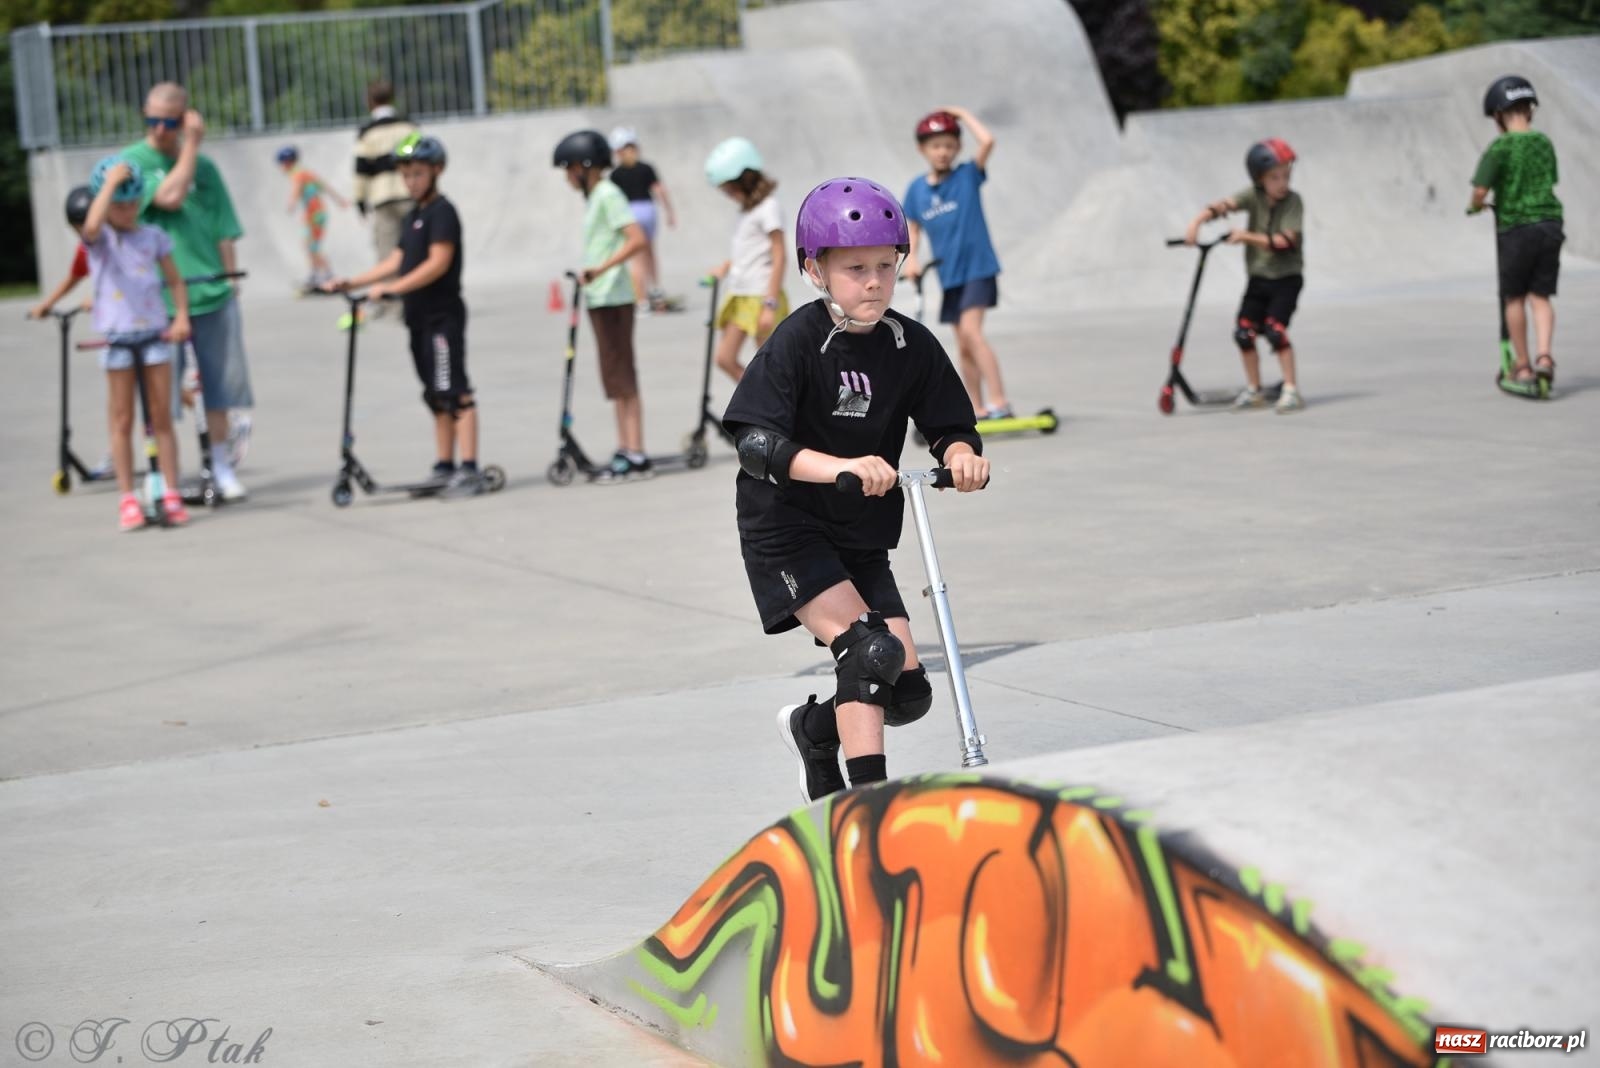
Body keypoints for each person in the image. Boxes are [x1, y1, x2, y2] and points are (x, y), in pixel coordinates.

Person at [722, 177, 989, 802]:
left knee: (907, 689)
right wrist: (841, 467)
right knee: (867, 651)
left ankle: (813, 730)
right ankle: (866, 806)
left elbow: (950, 423)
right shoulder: (798, 341)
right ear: (815, 270)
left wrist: (962, 453)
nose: (873, 282)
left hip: (858, 533)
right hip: (785, 526)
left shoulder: (909, 344)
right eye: (854, 269)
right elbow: (755, 445)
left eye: (884, 267)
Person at [325, 134, 485, 499]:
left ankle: (471, 469)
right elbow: (397, 261)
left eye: (417, 174)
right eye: (406, 175)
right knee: (434, 394)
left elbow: (437, 263)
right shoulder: (414, 216)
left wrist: (395, 290)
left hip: (442, 318)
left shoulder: (443, 212)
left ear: (436, 171)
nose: (411, 181)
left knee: (455, 392)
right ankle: (444, 465)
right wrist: (352, 281)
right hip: (418, 318)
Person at [122, 81, 255, 497]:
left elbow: (224, 229)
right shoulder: (132, 162)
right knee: (162, 392)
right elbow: (168, 197)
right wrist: (191, 147)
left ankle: (221, 465)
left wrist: (230, 284)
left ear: (184, 118)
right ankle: (163, 475)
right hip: (159, 297)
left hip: (209, 290)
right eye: (153, 120)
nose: (160, 130)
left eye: (169, 122)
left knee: (221, 386)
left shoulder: (208, 169)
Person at [81, 156, 192, 531]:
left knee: (161, 417)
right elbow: (92, 224)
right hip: (118, 341)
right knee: (122, 419)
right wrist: (109, 185)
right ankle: (128, 496)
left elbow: (175, 281)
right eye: (118, 205)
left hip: (153, 336)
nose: (126, 211)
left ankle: (170, 491)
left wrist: (180, 316)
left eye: (131, 204)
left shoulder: (153, 237)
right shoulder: (101, 242)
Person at [553, 129, 651, 482]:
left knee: (622, 374)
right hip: (601, 297)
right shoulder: (595, 196)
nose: (567, 176)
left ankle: (636, 453)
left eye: (569, 168)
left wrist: (600, 269)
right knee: (614, 376)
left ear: (586, 167)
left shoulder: (608, 193)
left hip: (613, 296)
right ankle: (625, 447)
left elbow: (636, 239)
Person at [1183, 138, 1306, 413]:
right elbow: (1224, 205)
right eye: (1275, 177)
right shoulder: (1254, 195)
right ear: (1260, 179)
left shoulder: (1294, 202)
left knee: (1275, 330)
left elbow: (1285, 241)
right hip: (1259, 280)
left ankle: (1291, 390)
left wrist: (1245, 236)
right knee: (1244, 332)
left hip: (1286, 279)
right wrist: (1196, 223)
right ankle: (1254, 390)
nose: (1282, 183)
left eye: (1286, 175)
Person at [902, 107, 1011, 419]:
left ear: (958, 148)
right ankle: (975, 407)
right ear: (922, 149)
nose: (943, 152)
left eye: (950, 145)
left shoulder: (967, 176)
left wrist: (961, 114)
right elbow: (913, 227)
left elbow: (988, 141)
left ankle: (1001, 401)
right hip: (949, 276)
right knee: (962, 344)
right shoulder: (917, 189)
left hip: (977, 269)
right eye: (936, 146)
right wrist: (911, 260)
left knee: (972, 333)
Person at [1468, 74, 1564, 392]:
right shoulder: (1544, 143)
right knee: (1541, 297)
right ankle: (1546, 357)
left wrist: (1475, 205)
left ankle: (1521, 367)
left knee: (1514, 298)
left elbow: (1480, 190)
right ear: (1530, 110)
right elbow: (1550, 179)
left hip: (1516, 227)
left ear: (1498, 115)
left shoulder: (1500, 148)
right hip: (1550, 225)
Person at [31, 186, 113, 479]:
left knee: (160, 390)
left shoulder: (119, 237)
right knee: (119, 396)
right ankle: (116, 453)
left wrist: (100, 297)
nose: (84, 232)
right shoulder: (85, 246)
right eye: (77, 228)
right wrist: (47, 304)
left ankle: (225, 425)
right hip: (112, 326)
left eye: (85, 224)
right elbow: (75, 277)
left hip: (138, 321)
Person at [704, 136, 787, 383]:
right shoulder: (747, 210)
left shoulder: (769, 207)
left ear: (746, 178)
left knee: (771, 368)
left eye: (730, 187)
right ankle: (758, 403)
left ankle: (773, 413)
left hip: (761, 295)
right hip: (740, 295)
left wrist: (769, 304)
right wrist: (726, 266)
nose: (728, 194)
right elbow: (750, 250)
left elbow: (779, 255)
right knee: (724, 358)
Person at [607, 126, 676, 314]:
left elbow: (612, 200)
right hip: (648, 209)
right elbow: (660, 190)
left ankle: (642, 302)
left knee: (636, 259)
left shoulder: (615, 174)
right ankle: (656, 292)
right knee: (650, 253)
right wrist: (670, 213)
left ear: (617, 151)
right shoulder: (646, 168)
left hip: (630, 212)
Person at [352, 79, 418, 267]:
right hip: (410, 193)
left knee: (387, 250)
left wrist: (360, 199)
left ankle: (389, 293)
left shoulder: (367, 133)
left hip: (382, 197)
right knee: (416, 245)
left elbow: (361, 172)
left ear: (369, 101)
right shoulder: (408, 127)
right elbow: (421, 161)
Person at [277, 145, 348, 292]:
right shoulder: (306, 172)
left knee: (313, 246)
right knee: (309, 245)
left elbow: (296, 189)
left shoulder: (298, 174)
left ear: (287, 162)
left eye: (281, 164)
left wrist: (292, 203)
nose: (280, 168)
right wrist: (339, 200)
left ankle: (327, 276)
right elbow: (325, 186)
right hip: (316, 214)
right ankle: (315, 275)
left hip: (314, 214)